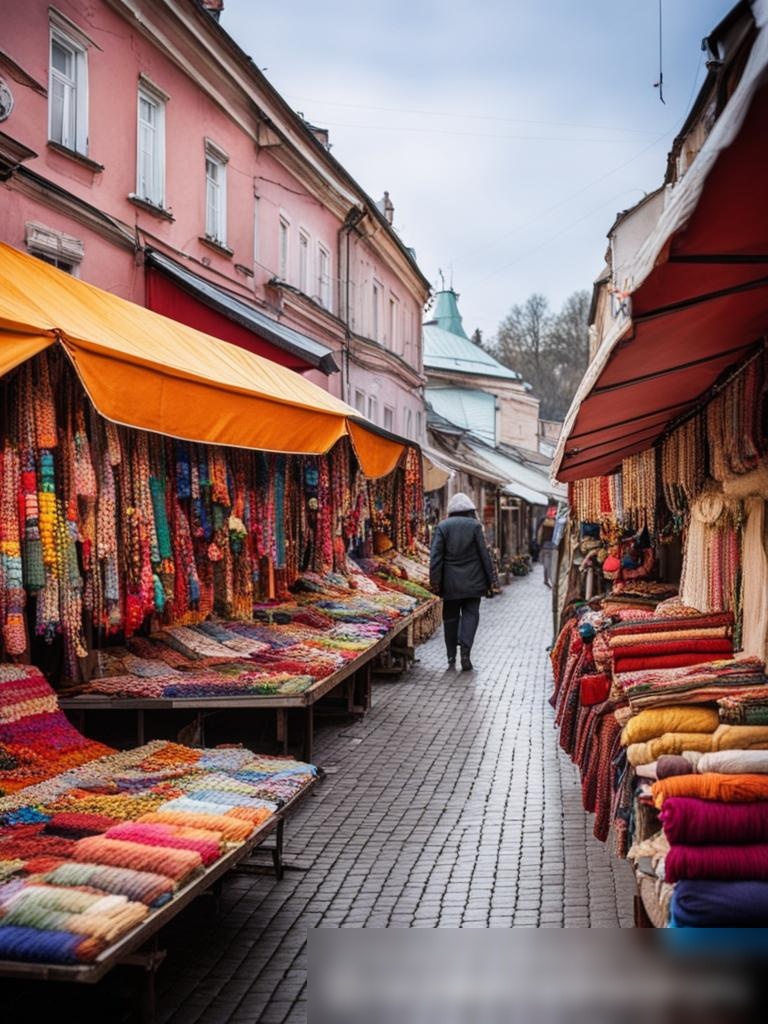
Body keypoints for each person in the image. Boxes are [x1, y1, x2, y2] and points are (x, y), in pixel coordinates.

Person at [429, 492, 495, 671]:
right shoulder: (475, 526)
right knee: (471, 615)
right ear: (469, 510)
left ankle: (451, 656)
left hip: (450, 584)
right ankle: (466, 652)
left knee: (450, 618)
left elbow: (435, 557)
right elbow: (484, 555)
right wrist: (491, 582)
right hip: (474, 583)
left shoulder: (443, 526)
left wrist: (434, 582)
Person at [536, 506, 557, 588]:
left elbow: (539, 534)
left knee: (546, 563)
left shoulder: (543, 521)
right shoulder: (556, 522)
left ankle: (546, 579)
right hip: (553, 545)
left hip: (545, 545)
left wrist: (539, 544)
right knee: (551, 564)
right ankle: (550, 580)